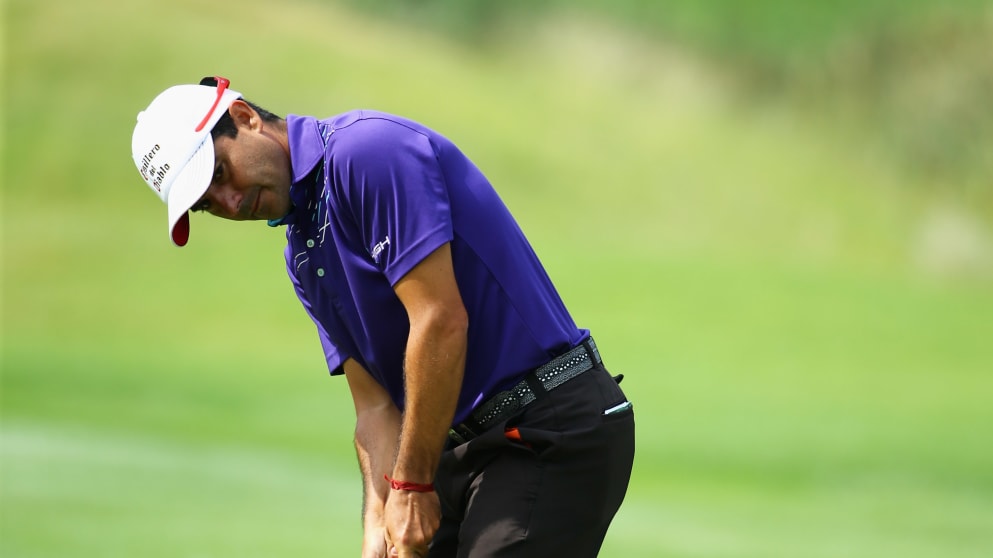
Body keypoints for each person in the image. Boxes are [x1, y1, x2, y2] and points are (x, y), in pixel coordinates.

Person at [131, 76, 635, 558]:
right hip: (458, 452)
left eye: (219, 173)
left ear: (244, 118)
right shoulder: (302, 253)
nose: (232, 201)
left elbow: (439, 320)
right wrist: (378, 516)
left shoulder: (366, 153)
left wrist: (412, 486)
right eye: (207, 205)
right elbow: (374, 407)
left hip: (545, 427)